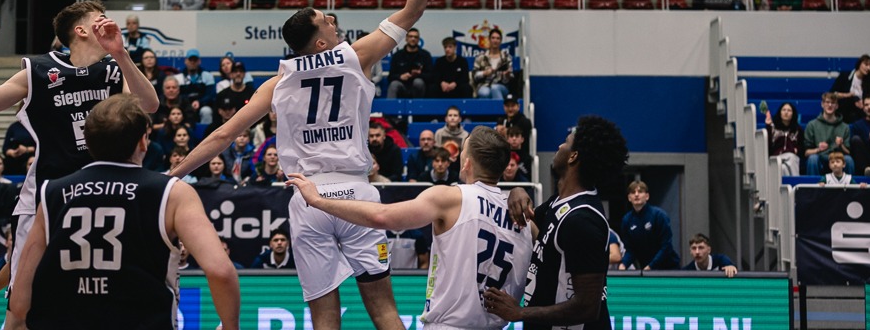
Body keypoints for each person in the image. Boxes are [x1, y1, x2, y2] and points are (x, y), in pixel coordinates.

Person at [170, 0, 443, 330]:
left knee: (323, 318)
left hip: (307, 199)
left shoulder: (277, 82)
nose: (334, 22)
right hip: (356, 196)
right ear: (319, 41)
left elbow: (222, 136)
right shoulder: (356, 56)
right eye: (326, 22)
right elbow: (414, 9)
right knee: (385, 310)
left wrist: (173, 174)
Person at [0, 3, 160, 289]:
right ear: (81, 30)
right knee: (27, 296)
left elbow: (149, 105)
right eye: (101, 19)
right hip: (45, 195)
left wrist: (121, 53)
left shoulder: (115, 69)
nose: (110, 23)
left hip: (105, 194)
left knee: (95, 293)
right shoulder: (38, 71)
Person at [5, 94, 240, 330]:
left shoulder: (51, 193)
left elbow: (20, 302)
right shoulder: (172, 192)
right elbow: (220, 271)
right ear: (143, 142)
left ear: (88, 141)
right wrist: (231, 326)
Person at [289, 125, 530, 328]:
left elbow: (381, 216)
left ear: (466, 163)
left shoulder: (451, 198)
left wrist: (319, 201)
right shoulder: (526, 218)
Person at [485, 116, 629, 330]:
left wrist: (519, 312)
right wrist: (516, 191)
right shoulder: (560, 202)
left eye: (566, 141)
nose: (559, 145)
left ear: (573, 156)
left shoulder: (583, 220)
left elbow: (587, 307)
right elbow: (529, 218)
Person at [618, 181, 680, 270]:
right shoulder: (627, 220)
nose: (636, 195)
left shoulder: (659, 215)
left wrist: (651, 266)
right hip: (646, 269)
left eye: (640, 192)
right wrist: (623, 264)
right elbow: (631, 250)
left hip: (668, 267)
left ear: (647, 196)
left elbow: (666, 246)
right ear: (629, 198)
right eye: (633, 192)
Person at [803, 92, 855, 176]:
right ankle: (813, 188)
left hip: (838, 158)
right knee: (812, 159)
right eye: (827, 102)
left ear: (837, 106)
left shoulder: (845, 127)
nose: (830, 105)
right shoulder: (812, 125)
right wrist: (818, 149)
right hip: (820, 157)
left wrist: (841, 145)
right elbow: (806, 153)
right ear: (822, 104)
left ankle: (849, 188)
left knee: (848, 160)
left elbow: (848, 152)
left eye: (833, 103)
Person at [387, 27, 433, 99]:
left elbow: (431, 76)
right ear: (406, 38)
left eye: (415, 37)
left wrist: (419, 74)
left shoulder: (425, 55)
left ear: (418, 40)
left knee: (418, 82)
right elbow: (390, 76)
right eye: (410, 36)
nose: (413, 39)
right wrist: (400, 77)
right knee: (394, 84)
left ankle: (419, 107)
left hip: (419, 89)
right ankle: (390, 109)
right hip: (402, 86)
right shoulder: (397, 55)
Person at [472, 28, 514, 100]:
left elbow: (511, 77)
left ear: (500, 41)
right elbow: (474, 76)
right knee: (485, 93)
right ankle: (497, 110)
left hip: (501, 86)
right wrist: (484, 73)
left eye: (498, 38)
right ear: (489, 40)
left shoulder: (506, 57)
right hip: (484, 85)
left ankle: (498, 111)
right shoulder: (481, 57)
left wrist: (506, 76)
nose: (495, 40)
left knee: (494, 88)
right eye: (493, 38)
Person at [830, 54, 870, 123]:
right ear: (859, 64)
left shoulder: (869, 83)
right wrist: (847, 95)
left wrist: (863, 103)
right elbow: (832, 94)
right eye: (866, 64)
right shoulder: (845, 76)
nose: (868, 68)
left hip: (859, 114)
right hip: (843, 111)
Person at [764, 101, 803, 176]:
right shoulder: (772, 127)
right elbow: (767, 146)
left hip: (791, 158)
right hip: (776, 158)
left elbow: (802, 148)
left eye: (789, 110)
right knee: (788, 160)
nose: (786, 112)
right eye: (784, 110)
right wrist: (768, 126)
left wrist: (796, 150)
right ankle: (795, 184)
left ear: (793, 114)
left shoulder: (798, 129)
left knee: (784, 168)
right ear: (780, 112)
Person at [179, 48, 216, 124]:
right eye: (190, 60)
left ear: (199, 61)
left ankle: (207, 134)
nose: (192, 62)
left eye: (195, 60)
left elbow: (210, 95)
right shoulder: (179, 77)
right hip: (184, 105)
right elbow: (178, 95)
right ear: (185, 61)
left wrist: (199, 102)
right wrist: (188, 104)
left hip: (202, 105)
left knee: (206, 111)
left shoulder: (207, 76)